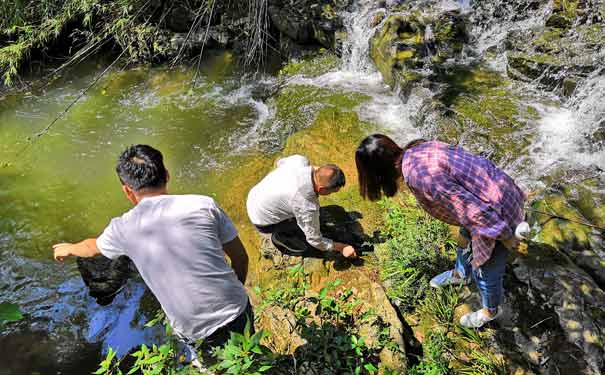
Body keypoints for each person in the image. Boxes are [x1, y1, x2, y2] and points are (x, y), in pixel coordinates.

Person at [52, 144, 251, 368]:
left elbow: (91, 248)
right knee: (249, 357)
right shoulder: (203, 205)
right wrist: (237, 289)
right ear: (167, 175)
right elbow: (241, 258)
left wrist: (69, 247)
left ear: (127, 191)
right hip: (237, 309)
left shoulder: (123, 228)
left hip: (194, 329)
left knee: (213, 367)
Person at [355, 134, 526, 328]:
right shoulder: (418, 148)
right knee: (463, 238)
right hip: (496, 193)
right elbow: (466, 194)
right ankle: (461, 274)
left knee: (487, 274)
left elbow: (477, 212)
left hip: (496, 215)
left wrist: (506, 236)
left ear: (379, 172)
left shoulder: (421, 178)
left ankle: (490, 311)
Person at [246, 154, 357, 258]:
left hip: (253, 196)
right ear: (321, 189)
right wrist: (342, 247)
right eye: (331, 192)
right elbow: (315, 240)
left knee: (309, 217)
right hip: (262, 221)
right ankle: (281, 237)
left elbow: (280, 163)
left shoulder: (299, 161)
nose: (330, 194)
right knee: (301, 227)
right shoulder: (306, 206)